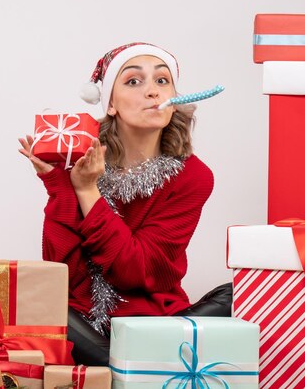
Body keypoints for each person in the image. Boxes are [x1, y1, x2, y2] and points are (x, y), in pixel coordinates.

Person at [19, 42, 232, 366]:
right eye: (134, 81)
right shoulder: (81, 162)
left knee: (241, 290)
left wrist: (88, 191)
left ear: (174, 102)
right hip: (86, 328)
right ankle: (135, 368)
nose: (152, 92)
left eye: (162, 81)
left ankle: (124, 368)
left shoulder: (193, 176)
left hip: (155, 323)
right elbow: (60, 274)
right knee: (35, 301)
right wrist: (60, 186)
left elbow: (135, 272)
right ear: (111, 104)